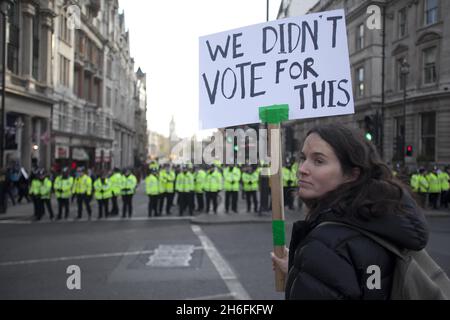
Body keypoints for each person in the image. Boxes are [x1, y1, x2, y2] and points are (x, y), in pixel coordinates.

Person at [271, 124, 429, 299]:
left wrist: (311, 269)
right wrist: (301, 271)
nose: (302, 169)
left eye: (319, 161)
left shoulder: (327, 244)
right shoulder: (377, 221)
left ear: (352, 174)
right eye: (303, 158)